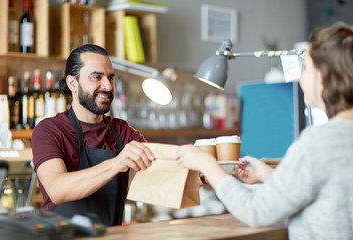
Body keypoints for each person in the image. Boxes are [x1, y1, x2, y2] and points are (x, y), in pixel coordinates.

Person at [175, 22, 353, 240]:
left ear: (322, 78)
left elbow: (255, 211)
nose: (301, 77)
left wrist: (207, 165)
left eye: (306, 68)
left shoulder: (320, 141)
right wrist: (270, 176)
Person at [32, 44, 155, 226]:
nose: (107, 86)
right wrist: (116, 164)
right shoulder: (49, 130)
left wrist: (200, 173)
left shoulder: (122, 131)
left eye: (110, 78)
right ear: (72, 83)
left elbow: (160, 166)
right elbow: (57, 190)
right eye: (97, 77)